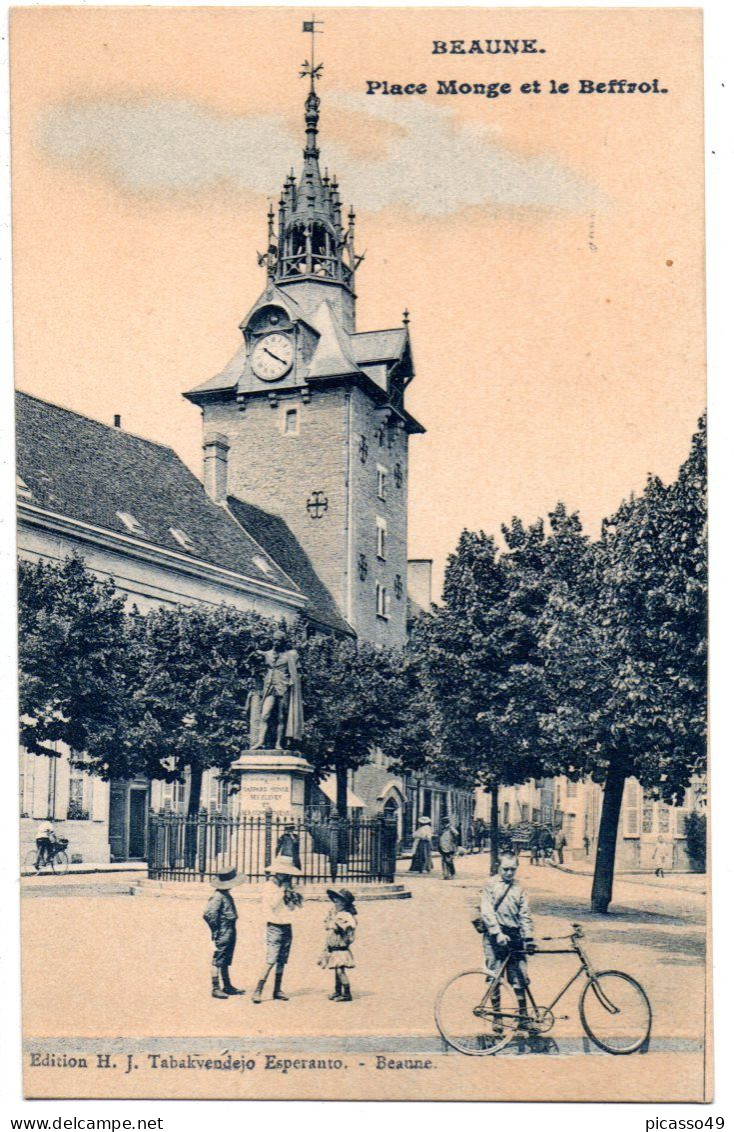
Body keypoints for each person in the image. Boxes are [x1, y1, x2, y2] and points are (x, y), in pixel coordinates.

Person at [478, 852, 537, 1038]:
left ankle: (523, 1016)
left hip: (514, 935)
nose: (509, 873)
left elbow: (524, 914)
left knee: (520, 976)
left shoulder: (520, 888)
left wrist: (528, 938)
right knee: (495, 976)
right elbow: (486, 910)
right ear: (498, 867)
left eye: (513, 869)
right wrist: (496, 932)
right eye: (506, 869)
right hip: (494, 936)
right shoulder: (490, 884)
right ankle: (497, 1017)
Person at [252, 854, 303, 1003]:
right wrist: (282, 890)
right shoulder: (269, 886)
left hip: (287, 925)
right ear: (278, 872)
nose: (288, 876)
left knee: (282, 959)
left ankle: (277, 989)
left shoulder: (285, 886)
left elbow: (292, 908)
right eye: (286, 873)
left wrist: (293, 897)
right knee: (271, 959)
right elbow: (272, 904)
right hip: (274, 926)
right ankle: (258, 990)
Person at [252, 630, 304, 750]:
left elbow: (297, 672)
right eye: (274, 640)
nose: (276, 642)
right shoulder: (267, 654)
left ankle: (278, 743)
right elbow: (255, 653)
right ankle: (260, 741)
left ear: (283, 642)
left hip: (283, 687)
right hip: (270, 686)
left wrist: (291, 681)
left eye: (279, 641)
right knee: (265, 715)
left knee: (281, 717)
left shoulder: (289, 655)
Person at [203, 866, 245, 999]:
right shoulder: (218, 896)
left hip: (230, 929)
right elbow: (208, 914)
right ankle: (215, 988)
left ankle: (227, 985)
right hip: (223, 930)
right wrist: (216, 929)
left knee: (225, 959)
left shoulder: (225, 894)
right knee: (218, 959)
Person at [319, 888, 357, 1002]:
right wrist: (331, 918)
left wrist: (333, 921)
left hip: (341, 948)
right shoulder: (337, 914)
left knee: (340, 971)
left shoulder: (345, 916)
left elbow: (342, 927)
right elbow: (326, 925)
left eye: (339, 901)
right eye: (335, 900)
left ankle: (347, 993)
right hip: (334, 948)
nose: (336, 903)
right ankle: (338, 991)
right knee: (337, 970)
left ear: (345, 904)